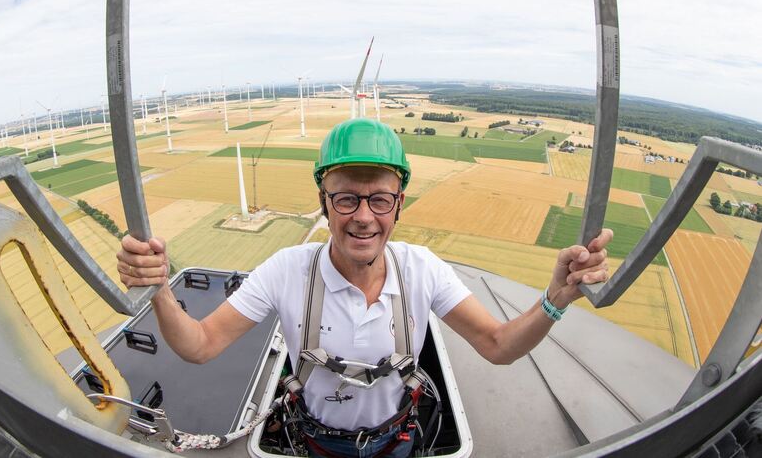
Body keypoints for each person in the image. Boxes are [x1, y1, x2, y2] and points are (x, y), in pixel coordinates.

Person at [116, 119, 612, 458]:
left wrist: (555, 299)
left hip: (395, 442)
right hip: (316, 444)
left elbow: (499, 347)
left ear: (399, 204)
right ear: (324, 203)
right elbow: (199, 346)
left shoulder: (422, 270)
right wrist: (159, 288)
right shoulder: (286, 270)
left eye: (379, 199)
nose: (363, 217)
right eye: (347, 198)